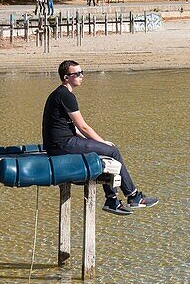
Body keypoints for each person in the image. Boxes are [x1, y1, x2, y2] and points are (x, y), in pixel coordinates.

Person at [42, 60, 159, 216]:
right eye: (77, 73)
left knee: (107, 152)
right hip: (62, 144)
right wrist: (102, 142)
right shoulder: (66, 95)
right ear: (66, 77)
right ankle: (132, 196)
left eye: (82, 72)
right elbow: (83, 127)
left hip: (59, 143)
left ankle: (112, 200)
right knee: (113, 152)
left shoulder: (60, 94)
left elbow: (74, 128)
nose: (81, 76)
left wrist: (99, 144)